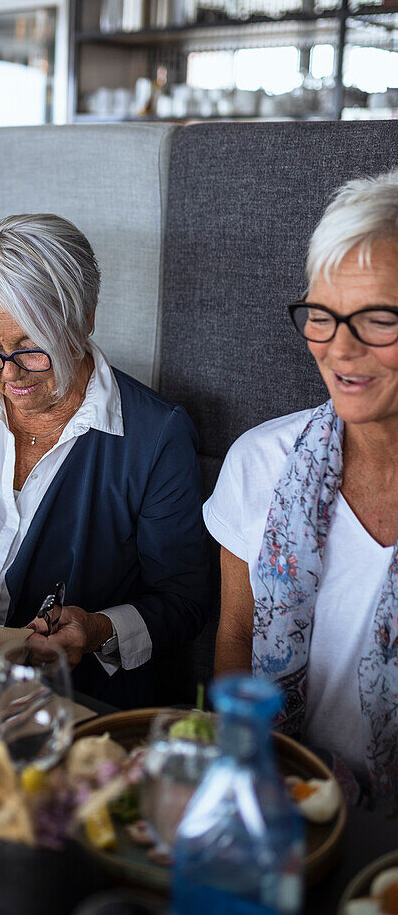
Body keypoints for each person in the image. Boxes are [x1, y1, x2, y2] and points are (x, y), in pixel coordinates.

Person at [0, 213, 209, 707]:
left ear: (85, 318)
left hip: (73, 701)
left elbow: (185, 600)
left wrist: (100, 628)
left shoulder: (155, 435)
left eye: (30, 348)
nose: (7, 373)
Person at [205, 170, 398, 807]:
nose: (340, 350)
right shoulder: (258, 464)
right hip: (281, 804)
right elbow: (236, 636)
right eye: (323, 316)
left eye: (377, 319)